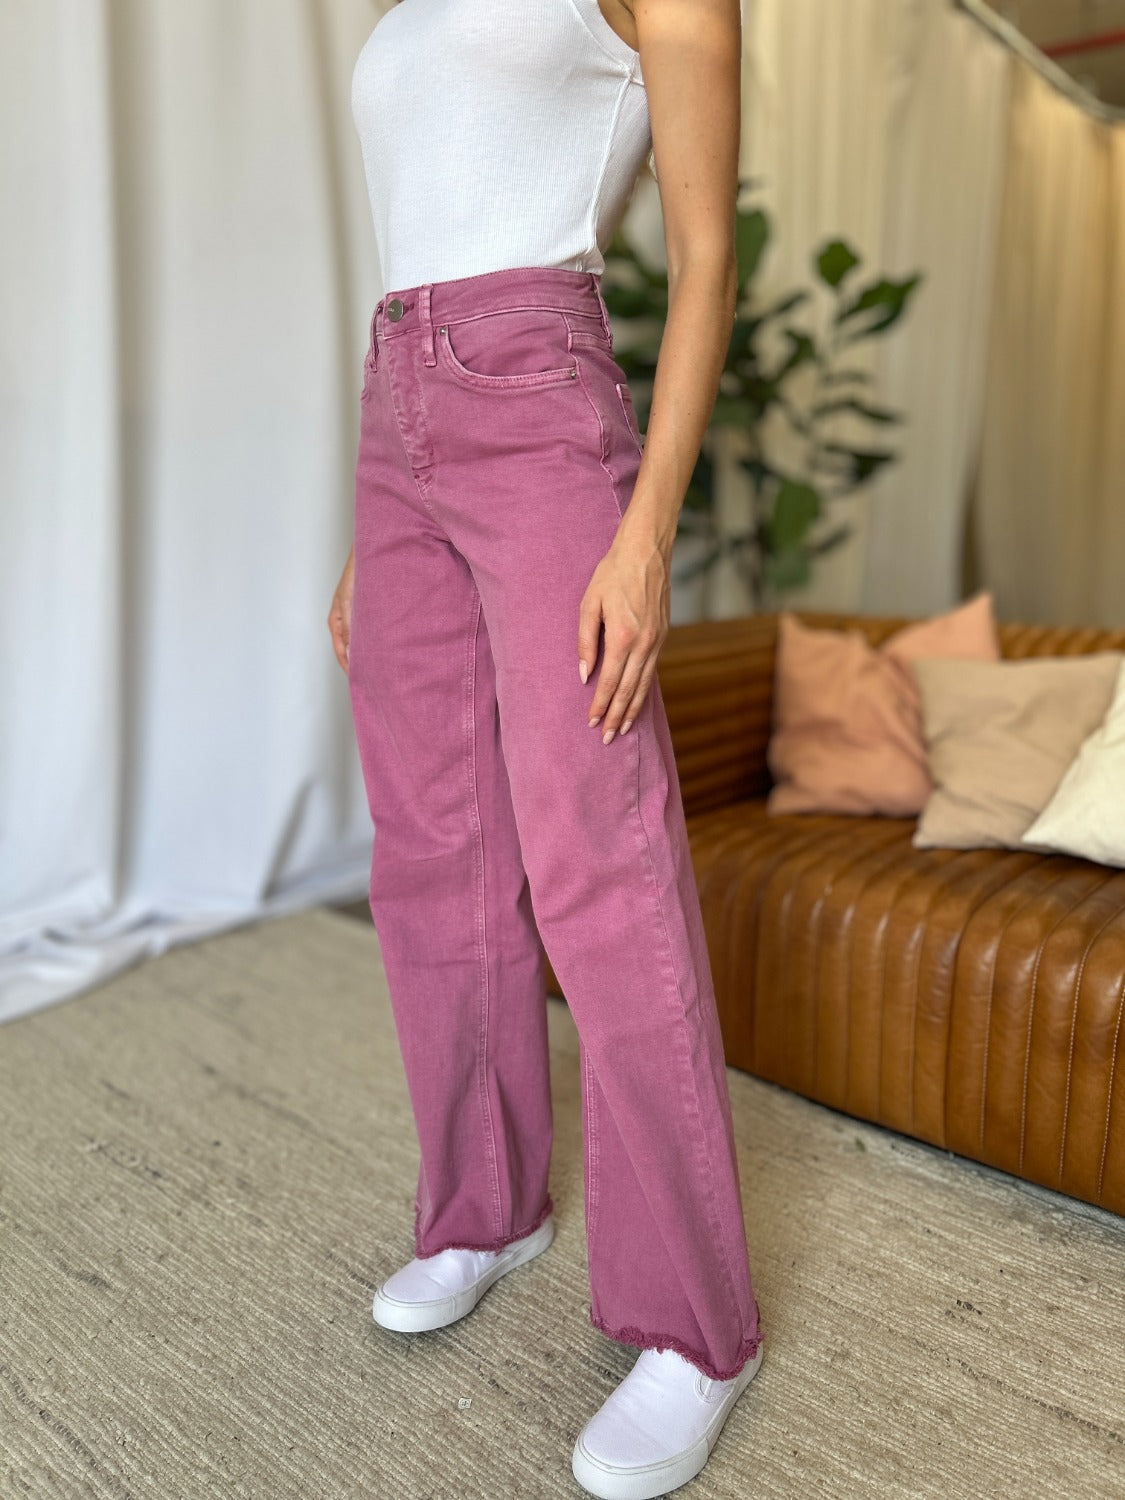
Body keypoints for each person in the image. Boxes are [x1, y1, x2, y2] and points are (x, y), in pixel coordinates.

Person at [327, 1, 763, 1495]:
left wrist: (643, 534)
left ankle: (696, 1324)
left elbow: (703, 256)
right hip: (398, 401)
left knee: (600, 866)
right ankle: (484, 1207)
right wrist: (377, 521)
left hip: (535, 392)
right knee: (432, 850)